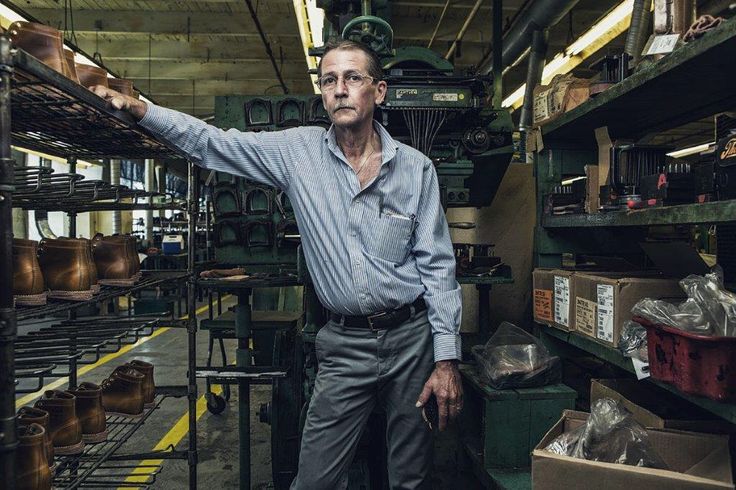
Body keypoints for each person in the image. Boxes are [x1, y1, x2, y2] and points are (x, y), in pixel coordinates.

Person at [92, 37, 463, 489]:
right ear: (322, 94)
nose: (340, 89)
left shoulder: (417, 169)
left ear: (378, 91)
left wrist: (446, 361)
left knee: (410, 476)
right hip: (344, 344)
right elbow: (213, 144)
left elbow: (438, 268)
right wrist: (144, 110)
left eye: (352, 78)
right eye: (329, 80)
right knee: (314, 478)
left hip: (411, 341)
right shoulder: (297, 154)